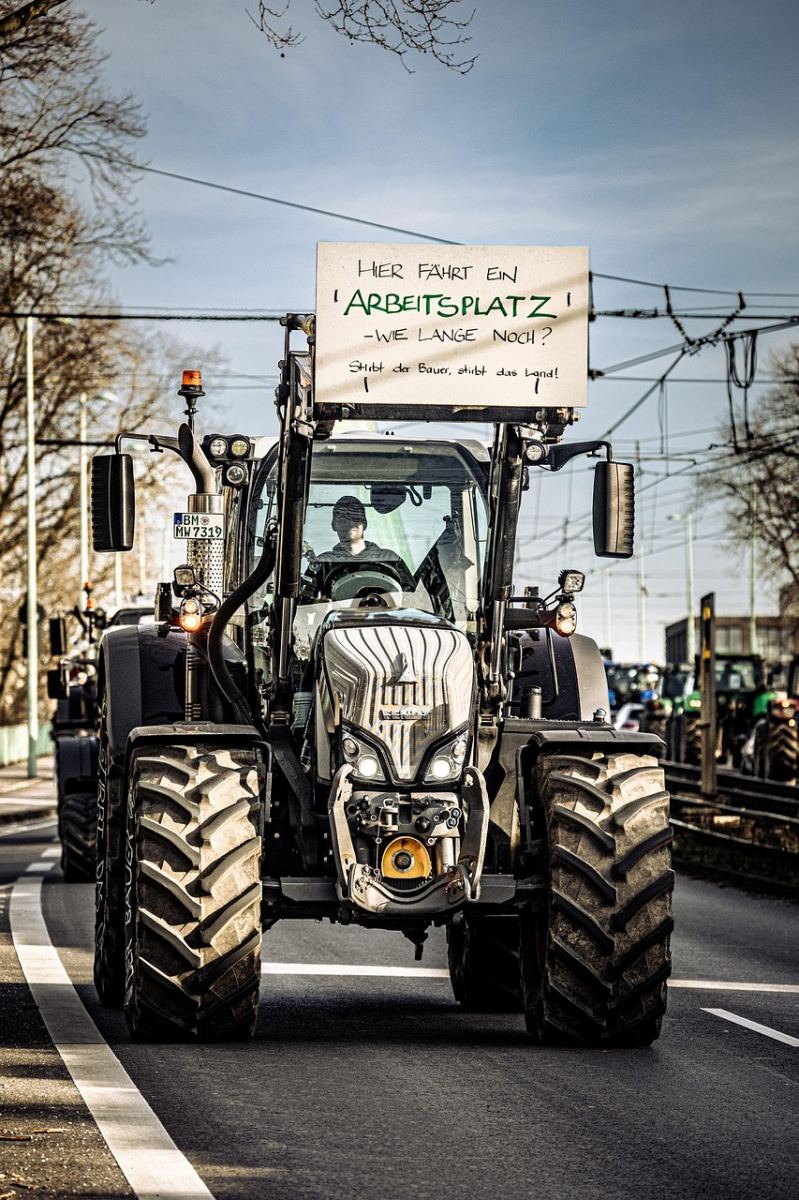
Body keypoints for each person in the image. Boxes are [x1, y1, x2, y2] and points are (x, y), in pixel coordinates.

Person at [313, 495, 400, 563]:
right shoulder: (323, 563)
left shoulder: (389, 559)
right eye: (342, 519)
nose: (349, 524)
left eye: (354, 518)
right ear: (333, 525)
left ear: (364, 523)